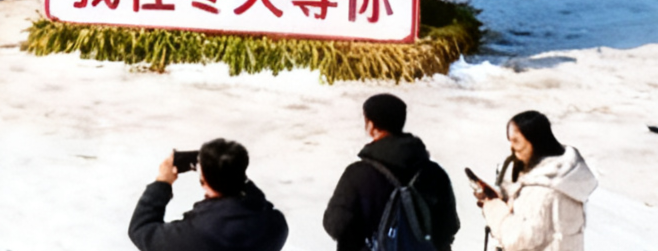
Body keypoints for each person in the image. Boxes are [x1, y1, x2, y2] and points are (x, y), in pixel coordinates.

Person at [321, 91, 458, 251]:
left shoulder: (357, 175)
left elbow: (336, 224)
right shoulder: (435, 174)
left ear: (371, 125)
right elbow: (449, 227)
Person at [129, 138, 288, 251]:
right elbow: (254, 198)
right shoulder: (276, 225)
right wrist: (225, 166)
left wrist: (162, 183)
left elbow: (141, 229)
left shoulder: (193, 237)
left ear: (204, 180)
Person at [466, 112, 596, 250]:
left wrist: (493, 207)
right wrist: (504, 198)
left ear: (535, 140)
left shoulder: (545, 190)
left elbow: (516, 241)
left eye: (516, 141)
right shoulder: (560, 178)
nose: (512, 148)